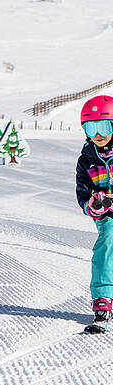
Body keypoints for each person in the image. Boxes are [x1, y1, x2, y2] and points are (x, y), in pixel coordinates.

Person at [76, 94, 113, 332]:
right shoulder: (87, 161)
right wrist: (93, 204)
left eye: (103, 126)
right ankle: (103, 299)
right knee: (107, 241)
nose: (98, 135)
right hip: (108, 215)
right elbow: (82, 191)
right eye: (91, 128)